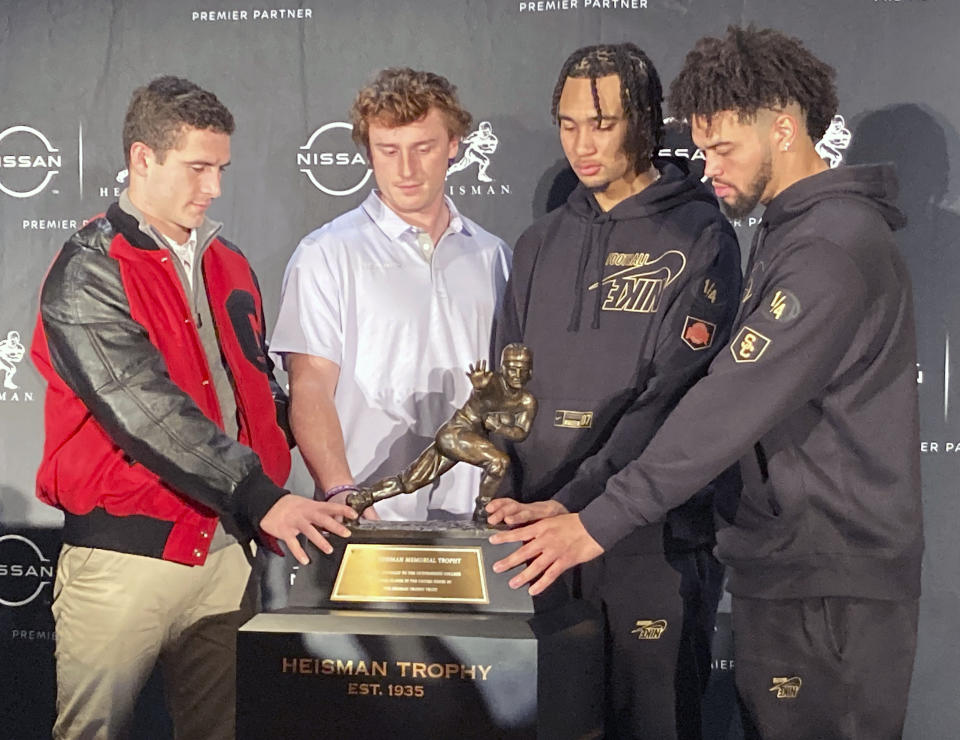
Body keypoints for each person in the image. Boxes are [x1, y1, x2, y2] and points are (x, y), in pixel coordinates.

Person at [489, 26, 922, 740]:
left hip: (828, 577)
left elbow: (721, 407)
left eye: (724, 148)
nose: (710, 168)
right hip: (798, 570)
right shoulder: (795, 232)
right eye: (702, 146)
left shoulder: (830, 247)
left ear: (783, 128)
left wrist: (594, 521)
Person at [31, 76, 356, 740]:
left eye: (221, 169)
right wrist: (263, 495)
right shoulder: (89, 268)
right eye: (197, 168)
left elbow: (257, 398)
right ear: (142, 159)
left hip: (230, 554)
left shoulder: (229, 263)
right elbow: (146, 411)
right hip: (126, 564)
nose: (213, 188)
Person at [491, 44, 742, 739]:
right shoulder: (540, 242)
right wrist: (503, 485)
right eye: (568, 124)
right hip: (537, 543)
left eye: (600, 123)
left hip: (646, 540)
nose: (582, 143)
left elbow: (670, 402)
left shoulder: (701, 236)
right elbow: (504, 382)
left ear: (645, 121)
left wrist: (573, 504)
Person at [270, 68, 511, 521]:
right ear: (369, 153)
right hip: (367, 515)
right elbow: (310, 385)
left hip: (478, 518)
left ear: (454, 146)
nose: (406, 169)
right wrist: (341, 489)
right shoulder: (326, 254)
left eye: (423, 148)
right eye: (389, 150)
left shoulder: (493, 255)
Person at [349, 343, 536, 520]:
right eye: (512, 369)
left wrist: (498, 426)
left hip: (465, 440)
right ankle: (482, 512)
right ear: (503, 369)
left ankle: (364, 498)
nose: (517, 375)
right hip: (455, 434)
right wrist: (479, 388)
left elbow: (521, 433)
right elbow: (482, 392)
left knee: (410, 481)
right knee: (499, 462)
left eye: (523, 369)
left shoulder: (527, 401)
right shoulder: (490, 383)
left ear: (531, 372)